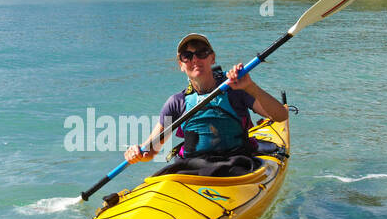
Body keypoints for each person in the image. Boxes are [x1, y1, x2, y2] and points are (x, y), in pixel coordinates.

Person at [124, 32, 289, 177]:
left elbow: (281, 115)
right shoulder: (176, 103)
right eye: (187, 56)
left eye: (202, 53)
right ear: (181, 65)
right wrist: (136, 153)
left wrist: (250, 87)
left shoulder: (235, 88)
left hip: (237, 164)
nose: (195, 59)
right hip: (191, 169)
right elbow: (151, 150)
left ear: (212, 57)